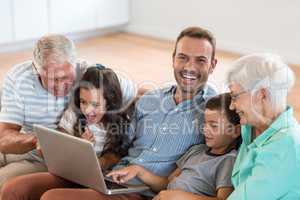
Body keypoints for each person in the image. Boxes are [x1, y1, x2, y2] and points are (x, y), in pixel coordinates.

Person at [1, 26, 218, 200]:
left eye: (200, 60)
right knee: (15, 189)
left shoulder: (213, 111)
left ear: (213, 64)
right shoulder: (152, 99)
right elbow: (121, 142)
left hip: (139, 189)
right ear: (173, 59)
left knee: (53, 197)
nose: (189, 67)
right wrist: (91, 156)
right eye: (183, 57)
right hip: (107, 174)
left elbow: (226, 145)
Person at [0, 34, 136, 187]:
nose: (60, 85)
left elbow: (138, 94)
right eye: (52, 79)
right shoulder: (19, 78)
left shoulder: (89, 74)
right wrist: (40, 140)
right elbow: (4, 139)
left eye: (66, 77)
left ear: (74, 64)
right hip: (26, 144)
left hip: (49, 159)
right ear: (36, 69)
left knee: (4, 180)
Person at [108, 93, 240, 200]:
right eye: (205, 123)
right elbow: (166, 183)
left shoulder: (229, 160)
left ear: (235, 131)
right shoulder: (196, 151)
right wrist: (138, 171)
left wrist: (182, 197)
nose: (205, 129)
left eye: (214, 126)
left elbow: (224, 199)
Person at [224, 53, 300, 199]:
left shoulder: (286, 146)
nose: (232, 106)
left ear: (261, 95)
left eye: (234, 96)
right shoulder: (250, 127)